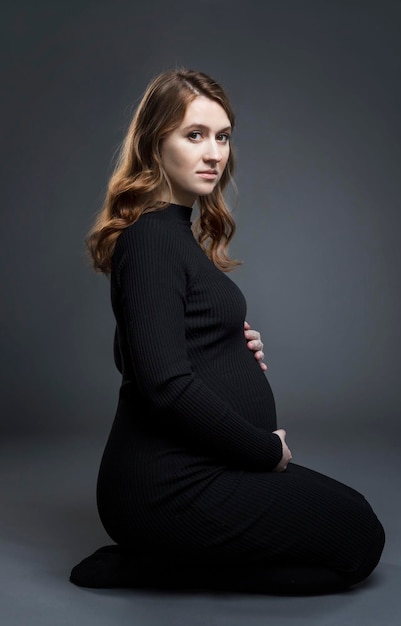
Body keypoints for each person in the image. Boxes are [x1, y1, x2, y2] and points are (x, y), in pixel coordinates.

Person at [70, 68, 384, 594]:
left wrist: (225, 347)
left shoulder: (175, 236)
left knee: (356, 526)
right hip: (166, 485)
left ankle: (163, 562)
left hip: (208, 465)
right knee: (355, 540)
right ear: (153, 144)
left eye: (222, 137)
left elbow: (144, 349)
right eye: (194, 135)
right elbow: (163, 385)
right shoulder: (151, 239)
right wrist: (264, 450)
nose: (214, 153)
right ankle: (148, 566)